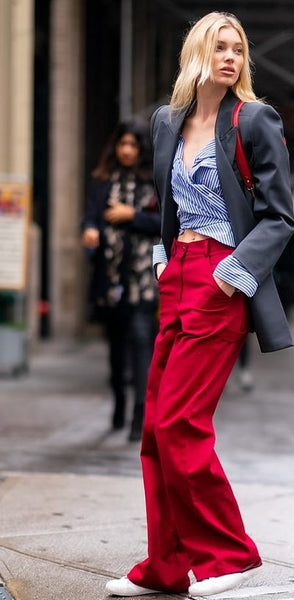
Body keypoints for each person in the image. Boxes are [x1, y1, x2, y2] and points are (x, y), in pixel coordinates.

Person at [106, 11, 294, 598]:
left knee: (180, 423)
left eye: (238, 48)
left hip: (220, 276)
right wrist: (165, 257)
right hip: (177, 276)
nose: (231, 57)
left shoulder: (254, 119)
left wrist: (230, 275)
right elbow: (168, 201)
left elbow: (279, 216)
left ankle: (231, 556)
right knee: (154, 431)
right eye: (220, 46)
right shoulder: (168, 122)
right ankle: (165, 568)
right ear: (197, 54)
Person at [82, 120, 160, 442]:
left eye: (133, 145)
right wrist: (88, 229)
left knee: (142, 342)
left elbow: (166, 222)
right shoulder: (102, 182)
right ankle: (119, 404)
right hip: (111, 279)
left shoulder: (156, 182)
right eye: (122, 144)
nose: (127, 150)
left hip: (143, 279)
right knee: (115, 348)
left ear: (142, 149)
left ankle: (139, 415)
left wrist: (132, 216)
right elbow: (90, 216)